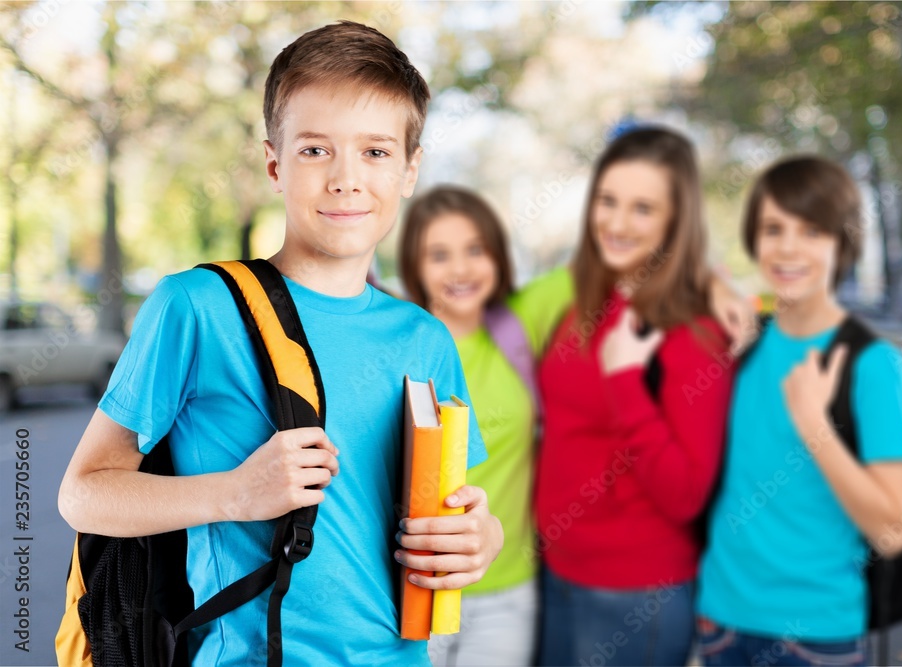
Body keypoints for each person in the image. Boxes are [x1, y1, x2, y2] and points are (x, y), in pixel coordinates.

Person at [57, 22, 504, 667]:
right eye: (316, 150)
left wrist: (480, 536)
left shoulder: (425, 338)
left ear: (410, 170)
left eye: (376, 152)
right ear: (275, 164)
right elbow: (82, 493)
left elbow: (449, 512)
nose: (347, 179)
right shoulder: (197, 307)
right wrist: (236, 493)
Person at [695, 156, 902, 667]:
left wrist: (815, 427)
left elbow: (892, 532)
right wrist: (712, 284)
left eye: (813, 230)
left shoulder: (873, 365)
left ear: (843, 244)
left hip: (814, 639)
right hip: (719, 625)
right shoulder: (742, 340)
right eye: (774, 228)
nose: (789, 248)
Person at [533, 127, 734, 666]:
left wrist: (625, 380)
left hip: (636, 592)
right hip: (558, 572)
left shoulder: (695, 334)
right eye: (608, 201)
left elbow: (686, 493)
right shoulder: (584, 301)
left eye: (642, 208)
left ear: (675, 221)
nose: (616, 223)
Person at [397, 185, 572, 666]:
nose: (461, 268)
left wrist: (717, 285)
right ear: (414, 265)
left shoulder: (520, 325)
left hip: (507, 593)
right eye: (439, 254)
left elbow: (607, 263)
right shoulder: (396, 343)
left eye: (475, 249)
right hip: (411, 592)